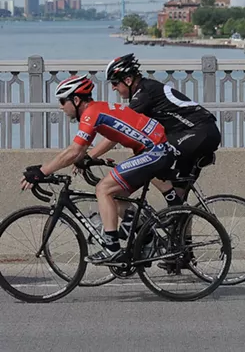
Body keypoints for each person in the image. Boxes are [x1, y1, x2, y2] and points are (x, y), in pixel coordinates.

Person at [20, 74, 175, 264]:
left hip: (154, 150)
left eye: (62, 101)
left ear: (76, 100)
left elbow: (73, 151)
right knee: (116, 198)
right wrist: (87, 158)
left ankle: (112, 249)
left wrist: (42, 171)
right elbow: (107, 140)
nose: (61, 107)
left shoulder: (91, 114)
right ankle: (149, 241)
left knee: (103, 189)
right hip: (153, 148)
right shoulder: (98, 109)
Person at [85, 53, 221, 210]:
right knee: (179, 203)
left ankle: (171, 199)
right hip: (194, 134)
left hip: (198, 132)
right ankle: (182, 228)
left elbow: (118, 131)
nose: (113, 87)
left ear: (128, 80)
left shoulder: (143, 95)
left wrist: (89, 156)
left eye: (115, 83)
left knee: (150, 157)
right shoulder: (146, 89)